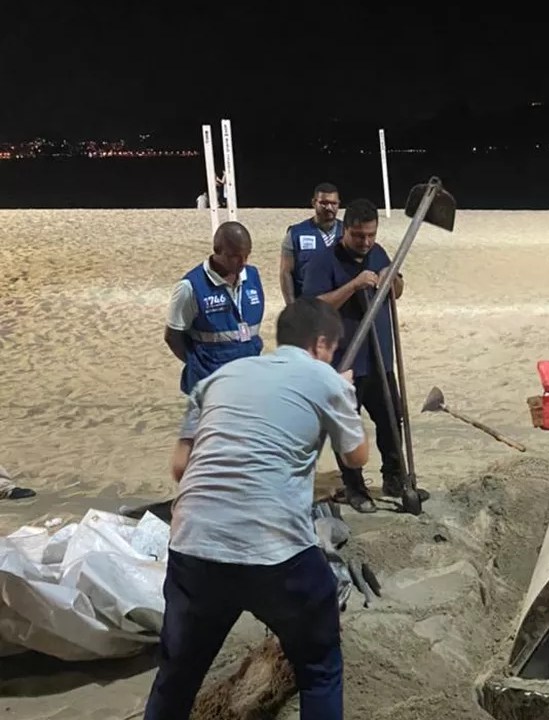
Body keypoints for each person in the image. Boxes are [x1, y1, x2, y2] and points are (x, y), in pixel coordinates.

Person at [142, 297, 368, 720]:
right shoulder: (326, 379)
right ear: (320, 345)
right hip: (275, 553)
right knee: (320, 666)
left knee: (177, 677)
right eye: (332, 350)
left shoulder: (219, 378)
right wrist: (346, 395)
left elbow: (179, 467)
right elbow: (356, 457)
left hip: (194, 544)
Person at [301, 198, 427, 514]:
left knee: (390, 420)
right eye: (359, 236)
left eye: (371, 235)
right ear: (346, 230)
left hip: (380, 357)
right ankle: (355, 488)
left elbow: (396, 291)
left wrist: (393, 281)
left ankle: (395, 480)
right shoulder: (323, 261)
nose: (366, 242)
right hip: (345, 363)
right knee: (349, 429)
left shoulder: (379, 253)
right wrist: (354, 285)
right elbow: (314, 308)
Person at [164, 221, 264, 395]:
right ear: (217, 250)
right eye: (234, 256)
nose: (242, 262)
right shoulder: (189, 287)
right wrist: (198, 365)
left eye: (246, 255)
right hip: (209, 386)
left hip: (248, 380)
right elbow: (173, 337)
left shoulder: (253, 277)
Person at [281, 183, 345, 305]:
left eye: (333, 203)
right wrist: (291, 306)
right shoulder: (296, 234)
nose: (329, 207)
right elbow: (286, 272)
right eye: (324, 203)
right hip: (308, 305)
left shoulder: (347, 232)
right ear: (314, 202)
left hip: (341, 305)